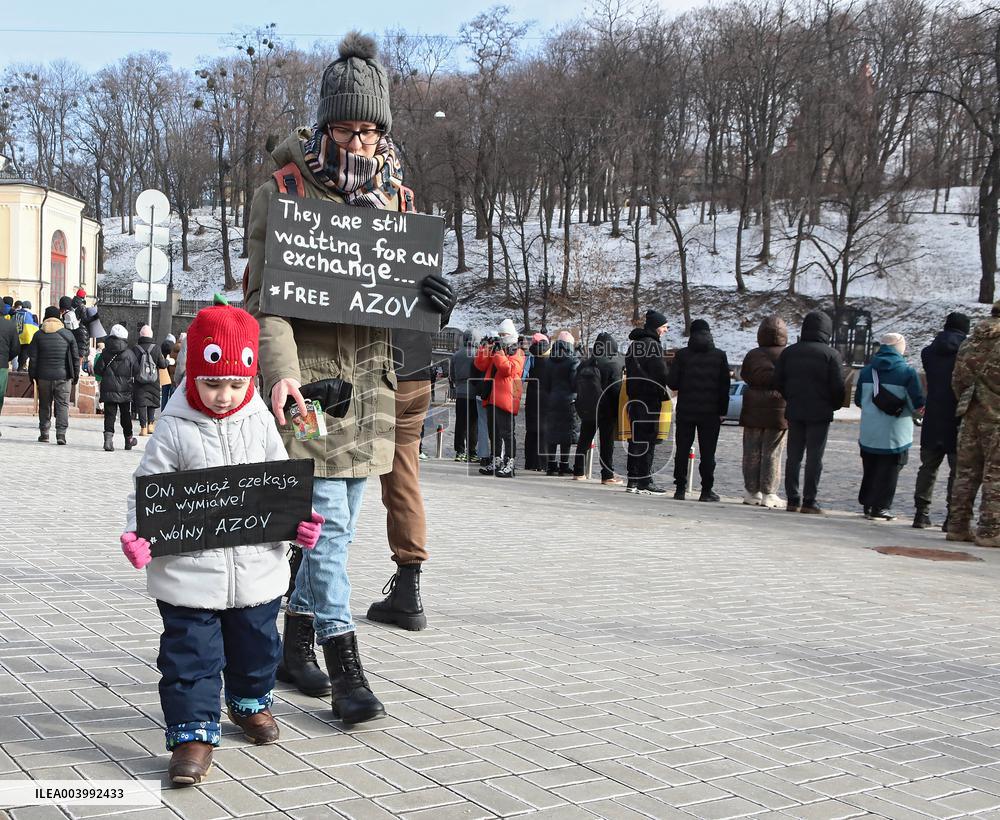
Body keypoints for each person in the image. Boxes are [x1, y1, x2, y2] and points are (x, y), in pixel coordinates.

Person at [246, 33, 405, 723]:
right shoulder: (283, 191)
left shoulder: (398, 197)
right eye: (347, 129)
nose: (361, 144)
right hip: (310, 390)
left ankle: (292, 644)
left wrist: (429, 298)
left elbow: (394, 303)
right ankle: (348, 674)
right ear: (323, 124)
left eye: (372, 131)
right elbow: (266, 305)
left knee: (327, 532)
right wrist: (280, 379)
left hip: (370, 390)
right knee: (331, 532)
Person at [118, 300, 324, 785]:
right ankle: (191, 734)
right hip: (188, 571)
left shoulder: (258, 420)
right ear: (193, 374)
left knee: (258, 646)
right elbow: (148, 486)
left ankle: (249, 701)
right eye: (212, 383)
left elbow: (281, 483)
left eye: (236, 383)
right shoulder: (173, 425)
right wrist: (137, 531)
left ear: (251, 376)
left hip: (256, 568)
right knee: (190, 655)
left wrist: (300, 520)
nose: (224, 395)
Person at [367, 278, 456, 633]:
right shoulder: (412, 243)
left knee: (333, 468)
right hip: (416, 371)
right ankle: (408, 586)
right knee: (404, 477)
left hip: (370, 366)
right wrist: (443, 310)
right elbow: (432, 309)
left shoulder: (353, 234)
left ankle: (304, 574)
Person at [774, 311, 846, 514]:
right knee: (815, 458)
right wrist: (834, 404)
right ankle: (809, 500)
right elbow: (838, 387)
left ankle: (792, 498)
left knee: (793, 456)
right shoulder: (831, 354)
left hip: (795, 409)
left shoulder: (789, 352)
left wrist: (791, 396)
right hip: (820, 412)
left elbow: (778, 380)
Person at [854, 333, 925, 520]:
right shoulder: (907, 373)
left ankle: (868, 504)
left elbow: (859, 400)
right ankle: (881, 507)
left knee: (870, 467)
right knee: (890, 470)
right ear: (900, 348)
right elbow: (917, 404)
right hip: (896, 432)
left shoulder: (867, 371)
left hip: (869, 431)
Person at [948, 301, 1000, 547]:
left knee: (966, 473)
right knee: (996, 475)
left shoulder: (969, 343)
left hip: (971, 413)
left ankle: (957, 526)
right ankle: (990, 532)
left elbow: (957, 381)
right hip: (997, 417)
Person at [913, 312, 969, 529]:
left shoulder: (929, 352)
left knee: (927, 467)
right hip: (957, 417)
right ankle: (951, 518)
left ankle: (921, 513)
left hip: (933, 417)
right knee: (957, 471)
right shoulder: (967, 352)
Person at [667, 319, 730, 501]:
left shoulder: (682, 355)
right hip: (710, 413)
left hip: (686, 410)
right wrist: (722, 411)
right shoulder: (719, 356)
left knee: (682, 449)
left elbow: (672, 382)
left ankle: (680, 488)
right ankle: (706, 490)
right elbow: (725, 386)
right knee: (708, 452)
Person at [740, 316, 789, 508]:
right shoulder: (787, 354)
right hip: (778, 408)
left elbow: (744, 374)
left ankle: (751, 491)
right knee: (772, 452)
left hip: (752, 406)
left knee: (751, 451)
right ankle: (769, 492)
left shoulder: (753, 354)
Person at [624, 310, 670, 495]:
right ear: (657, 327)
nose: (666, 330)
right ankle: (645, 480)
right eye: (665, 327)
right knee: (648, 440)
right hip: (649, 398)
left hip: (633, 397)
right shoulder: (653, 346)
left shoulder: (634, 345)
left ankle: (632, 480)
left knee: (635, 439)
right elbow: (661, 373)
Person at [475, 319, 525, 477]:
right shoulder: (499, 349)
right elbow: (480, 365)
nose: (502, 337)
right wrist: (485, 347)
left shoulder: (517, 351)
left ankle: (510, 462)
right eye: (500, 335)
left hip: (507, 397)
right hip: (492, 396)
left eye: (504, 335)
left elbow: (508, 369)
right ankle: (496, 460)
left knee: (507, 433)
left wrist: (498, 353)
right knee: (494, 432)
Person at [572, 332, 623, 484]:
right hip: (606, 409)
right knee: (606, 442)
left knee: (584, 439)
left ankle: (578, 471)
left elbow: (575, 385)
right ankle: (607, 475)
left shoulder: (584, 364)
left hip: (587, 408)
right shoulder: (612, 364)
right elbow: (616, 389)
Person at [29, 306, 79, 445]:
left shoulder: (38, 335)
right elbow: (75, 358)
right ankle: (61, 435)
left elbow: (33, 358)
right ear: (59, 318)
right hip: (64, 377)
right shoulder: (68, 335)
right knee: (62, 405)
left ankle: (44, 433)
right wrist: (75, 376)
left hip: (43, 376)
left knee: (44, 404)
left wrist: (32, 377)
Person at [541, 331, 579, 476]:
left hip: (552, 399)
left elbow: (545, 383)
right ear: (570, 344)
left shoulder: (549, 360)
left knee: (552, 433)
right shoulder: (573, 360)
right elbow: (575, 382)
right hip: (568, 401)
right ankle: (564, 465)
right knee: (566, 434)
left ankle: (551, 465)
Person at [96, 325, 139, 452]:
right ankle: (128, 440)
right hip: (125, 390)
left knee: (109, 415)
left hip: (108, 388)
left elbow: (98, 369)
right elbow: (136, 370)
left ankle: (108, 441)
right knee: (125, 415)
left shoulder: (105, 353)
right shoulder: (129, 354)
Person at [131, 325, 168, 436]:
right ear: (151, 335)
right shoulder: (156, 348)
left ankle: (143, 428)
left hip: (139, 382)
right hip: (153, 380)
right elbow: (162, 365)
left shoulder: (135, 349)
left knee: (142, 404)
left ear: (140, 335)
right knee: (152, 402)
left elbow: (132, 365)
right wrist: (167, 361)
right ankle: (151, 426)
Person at [450, 330, 480, 462]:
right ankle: (472, 452)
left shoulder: (456, 355)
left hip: (461, 393)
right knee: (473, 424)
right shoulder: (478, 354)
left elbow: (452, 375)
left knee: (460, 423)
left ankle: (459, 451)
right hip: (474, 393)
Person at [523, 333, 550, 471]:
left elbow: (523, 376)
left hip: (532, 397)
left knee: (531, 431)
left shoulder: (530, 357)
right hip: (546, 398)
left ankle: (530, 462)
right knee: (544, 431)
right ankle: (542, 463)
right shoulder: (551, 359)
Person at [0, 306, 20, 435]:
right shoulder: (10, 326)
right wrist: (7, 358)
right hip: (2, 365)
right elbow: (16, 348)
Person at [13, 300, 38, 372]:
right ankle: (21, 366)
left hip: (17, 336)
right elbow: (33, 325)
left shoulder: (17, 313)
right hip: (26, 337)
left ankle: (19, 366)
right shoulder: (29, 314)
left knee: (18, 352)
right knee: (25, 352)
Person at [161, 333, 178, 411]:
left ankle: (163, 411)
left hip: (164, 373)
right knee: (171, 395)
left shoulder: (162, 346)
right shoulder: (174, 348)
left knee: (164, 395)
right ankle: (169, 411)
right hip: (171, 374)